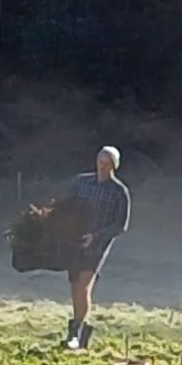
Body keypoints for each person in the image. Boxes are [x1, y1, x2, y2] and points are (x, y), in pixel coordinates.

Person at [62, 146, 130, 350]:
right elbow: (68, 207)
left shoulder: (119, 192)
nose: (102, 165)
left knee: (83, 286)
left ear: (113, 166)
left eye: (107, 162)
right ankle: (78, 331)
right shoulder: (81, 182)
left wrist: (96, 236)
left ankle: (75, 334)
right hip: (75, 241)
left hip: (97, 246)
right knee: (75, 287)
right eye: (100, 160)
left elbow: (120, 225)